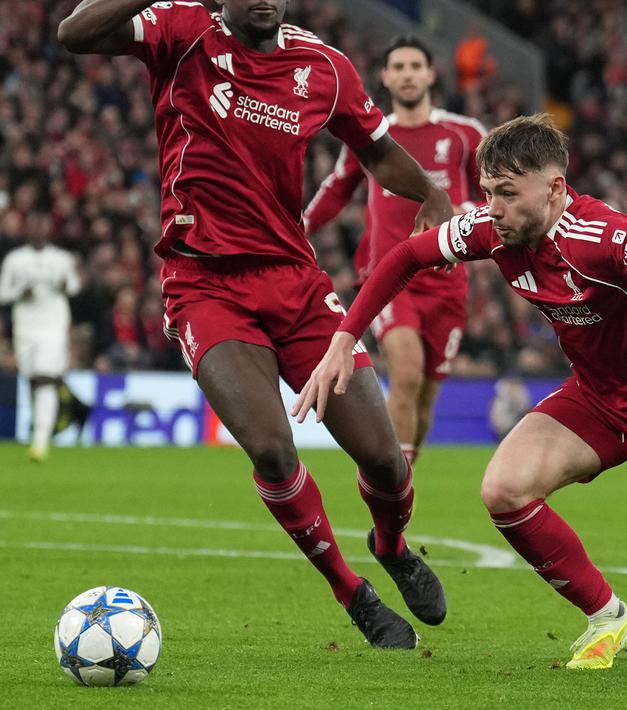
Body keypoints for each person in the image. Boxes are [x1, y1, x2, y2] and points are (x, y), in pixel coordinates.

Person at [294, 114, 627, 670]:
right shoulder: (493, 231)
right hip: (596, 400)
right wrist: (345, 337)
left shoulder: (602, 239)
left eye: (508, 194)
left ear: (556, 188)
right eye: (488, 191)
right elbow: (405, 256)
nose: (492, 207)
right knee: (505, 490)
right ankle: (608, 617)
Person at [57, 0, 455, 649]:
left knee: (385, 459)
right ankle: (351, 592)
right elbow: (75, 34)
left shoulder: (324, 67)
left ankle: (392, 543)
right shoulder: (182, 32)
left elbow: (377, 151)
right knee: (272, 449)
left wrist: (433, 196)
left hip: (295, 282)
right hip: (203, 282)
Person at [304, 35, 486, 463]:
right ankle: (389, 499)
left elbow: (499, 192)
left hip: (448, 281)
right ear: (384, 77)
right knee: (405, 374)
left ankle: (401, 489)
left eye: (414, 66)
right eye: (398, 67)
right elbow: (336, 189)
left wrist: (467, 208)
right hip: (390, 277)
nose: (407, 75)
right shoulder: (370, 136)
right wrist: (299, 227)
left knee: (424, 399)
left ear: (430, 74)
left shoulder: (463, 134)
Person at [0, 214, 81, 461]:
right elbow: (3, 293)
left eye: (42, 228)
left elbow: (75, 287)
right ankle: (40, 431)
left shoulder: (61, 259)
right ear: (28, 231)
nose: (38, 233)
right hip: (25, 329)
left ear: (48, 231)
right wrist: (18, 292)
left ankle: (40, 442)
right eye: (34, 228)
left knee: (46, 378)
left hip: (53, 327)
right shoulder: (15, 260)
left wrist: (64, 283)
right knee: (34, 380)